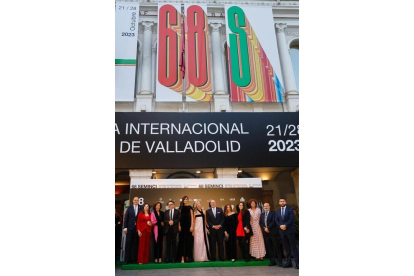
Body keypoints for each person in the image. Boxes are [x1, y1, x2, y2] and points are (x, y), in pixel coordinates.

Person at [274, 198, 299, 269]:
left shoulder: (289, 210)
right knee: (286, 247)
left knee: (293, 247)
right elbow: (276, 220)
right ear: (279, 203)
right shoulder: (277, 211)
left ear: (285, 202)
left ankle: (297, 263)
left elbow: (292, 219)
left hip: (290, 230)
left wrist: (285, 225)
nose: (282, 202)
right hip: (282, 231)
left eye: (283, 201)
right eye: (280, 201)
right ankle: (289, 262)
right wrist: (280, 226)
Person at [259, 203, 283, 267]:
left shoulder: (273, 214)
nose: (266, 207)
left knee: (276, 247)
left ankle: (280, 261)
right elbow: (260, 223)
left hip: (273, 233)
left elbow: (274, 221)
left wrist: (268, 228)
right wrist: (264, 228)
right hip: (266, 234)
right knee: (269, 248)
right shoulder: (262, 215)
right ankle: (272, 261)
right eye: (264, 206)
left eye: (267, 206)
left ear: (269, 206)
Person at [123, 197, 141, 265]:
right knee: (128, 244)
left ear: (138, 201)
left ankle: (133, 260)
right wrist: (125, 228)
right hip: (130, 229)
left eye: (137, 200)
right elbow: (126, 218)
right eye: (135, 200)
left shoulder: (140, 208)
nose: (136, 201)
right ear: (133, 201)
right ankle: (126, 260)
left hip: (137, 229)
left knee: (135, 245)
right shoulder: (129, 208)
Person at [177, 196, 194, 263]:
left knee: (188, 242)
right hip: (182, 227)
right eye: (184, 199)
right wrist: (179, 225)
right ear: (183, 200)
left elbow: (192, 218)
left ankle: (187, 257)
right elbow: (179, 218)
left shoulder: (190, 208)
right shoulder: (180, 208)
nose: (185, 200)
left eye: (187, 199)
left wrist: (192, 226)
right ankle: (182, 258)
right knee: (182, 242)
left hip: (188, 227)